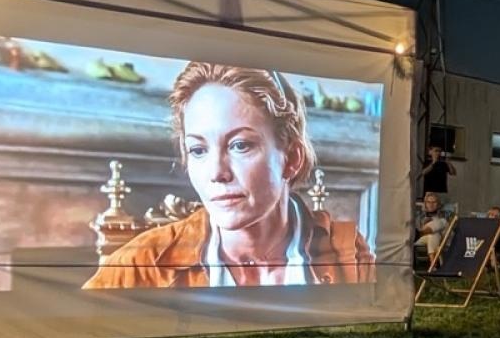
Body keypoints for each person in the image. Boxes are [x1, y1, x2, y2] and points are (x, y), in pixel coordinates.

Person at [84, 62, 374, 288]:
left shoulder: (348, 255)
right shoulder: (136, 266)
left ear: (292, 158)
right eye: (198, 150)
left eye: (240, 145)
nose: (216, 173)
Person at [415, 191, 449, 258]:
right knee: (433, 234)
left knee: (434, 234)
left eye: (434, 202)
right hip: (421, 239)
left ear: (438, 204)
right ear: (425, 204)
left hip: (441, 240)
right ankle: (434, 262)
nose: (431, 204)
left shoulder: (443, 217)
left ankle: (433, 262)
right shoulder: (420, 217)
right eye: (428, 202)